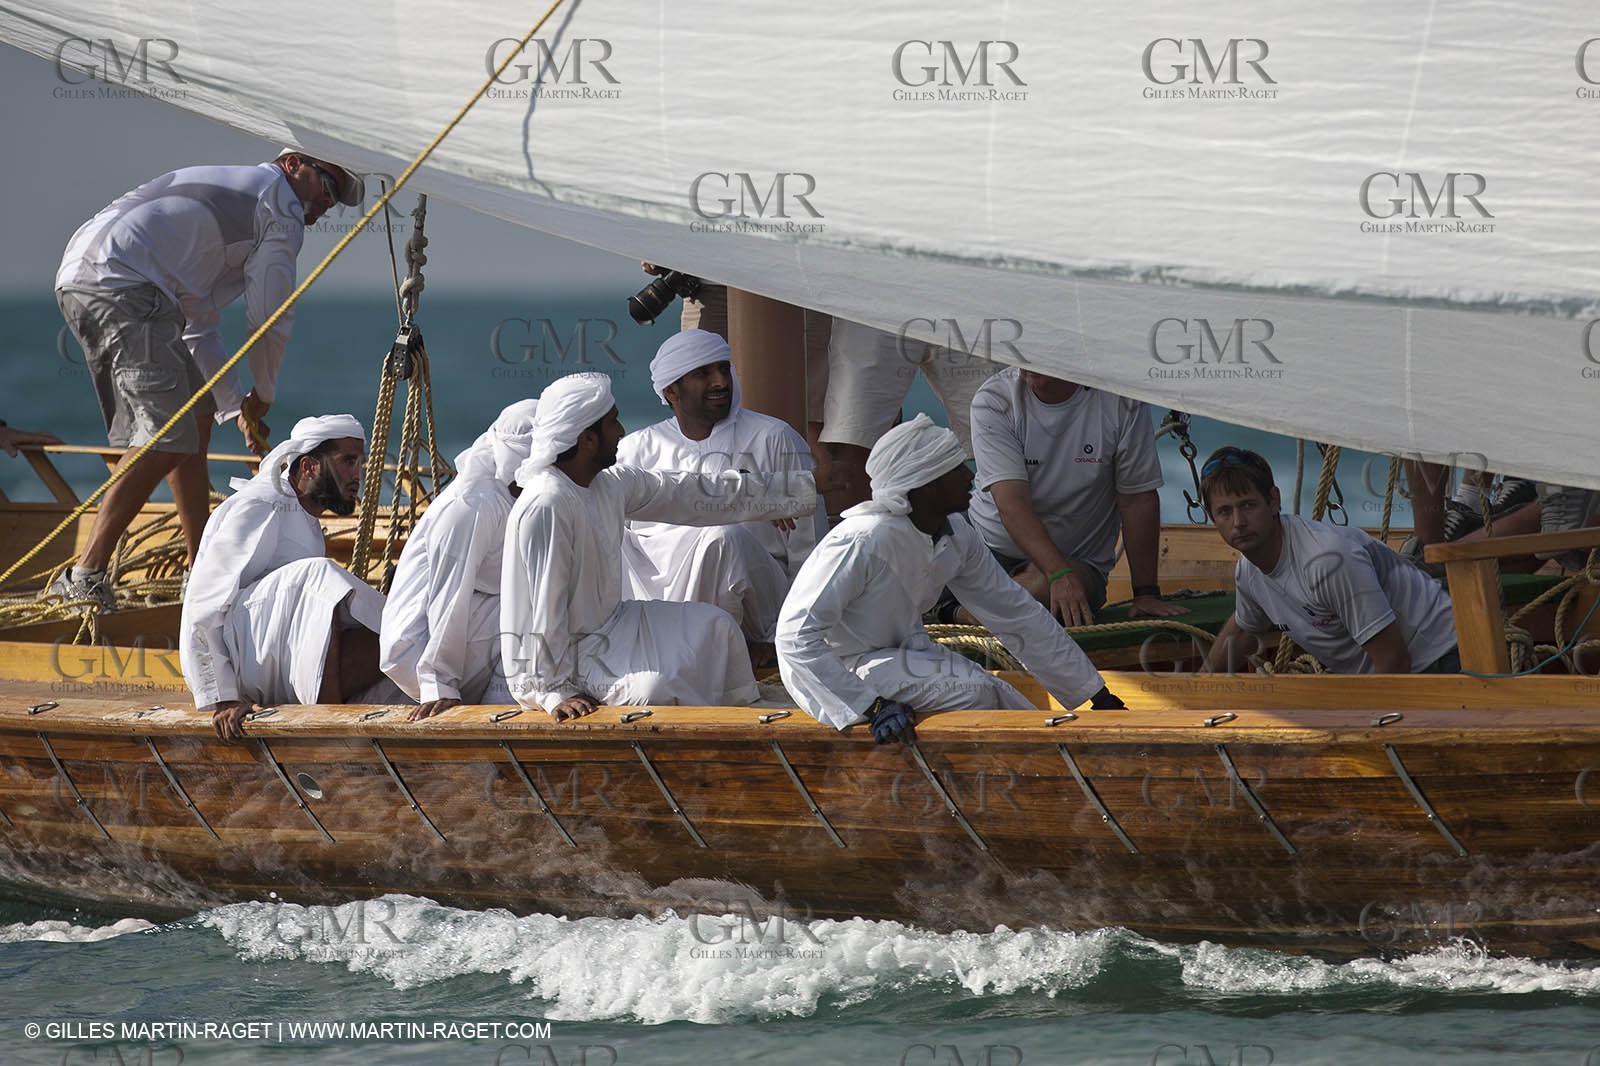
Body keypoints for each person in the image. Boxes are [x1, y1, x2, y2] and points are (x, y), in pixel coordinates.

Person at [52, 148, 364, 611]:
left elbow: (198, 324)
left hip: (105, 278)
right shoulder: (279, 207)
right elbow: (270, 318)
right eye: (328, 187)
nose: (325, 207)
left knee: (194, 422)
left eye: (335, 200)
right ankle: (85, 574)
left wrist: (237, 406)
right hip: (121, 285)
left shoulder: (237, 202)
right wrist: (264, 395)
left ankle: (200, 574)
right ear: (294, 164)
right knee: (166, 436)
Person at [776, 414, 1122, 743]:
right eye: (955, 468)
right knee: (976, 692)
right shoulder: (862, 539)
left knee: (1005, 698)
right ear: (925, 485)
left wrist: (1096, 694)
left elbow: (1015, 611)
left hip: (899, 659)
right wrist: (869, 706)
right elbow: (794, 637)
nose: (970, 476)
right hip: (836, 675)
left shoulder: (956, 534)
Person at [500, 373, 817, 721]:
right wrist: (554, 690)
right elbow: (543, 610)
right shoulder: (548, 503)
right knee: (654, 691)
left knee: (716, 626)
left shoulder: (609, 484)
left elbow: (690, 492)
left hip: (617, 623)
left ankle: (740, 719)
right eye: (613, 422)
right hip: (567, 658)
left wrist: (786, 494)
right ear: (588, 439)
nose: (621, 431)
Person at [181, 415, 389, 741]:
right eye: (348, 461)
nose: (358, 475)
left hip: (274, 655)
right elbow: (202, 604)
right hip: (238, 666)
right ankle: (327, 729)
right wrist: (224, 697)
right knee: (321, 579)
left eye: (360, 462)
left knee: (390, 645)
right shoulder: (263, 504)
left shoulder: (303, 518)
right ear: (307, 467)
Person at [620, 330, 823, 651]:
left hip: (762, 610)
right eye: (702, 374)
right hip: (664, 607)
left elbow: (809, 549)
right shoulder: (636, 450)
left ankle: (718, 647)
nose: (720, 382)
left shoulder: (772, 437)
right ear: (672, 391)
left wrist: (787, 637)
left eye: (723, 369)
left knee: (723, 537)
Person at [1199, 447, 1459, 675]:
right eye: (1224, 511)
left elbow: (1395, 661)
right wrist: (1197, 687)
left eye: (1248, 505)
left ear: (1274, 501)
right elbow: (1245, 630)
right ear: (1212, 517)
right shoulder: (1248, 571)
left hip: (1441, 658)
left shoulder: (1327, 561)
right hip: (1383, 674)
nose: (1238, 522)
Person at [964, 367, 1188, 626]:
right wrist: (1057, 572)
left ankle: (964, 610)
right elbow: (1012, 504)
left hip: (1076, 564)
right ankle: (967, 608)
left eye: (1039, 350)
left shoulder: (1122, 402)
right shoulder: (994, 398)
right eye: (1022, 350)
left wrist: (1146, 593)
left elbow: (1137, 499)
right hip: (987, 549)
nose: (1027, 361)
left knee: (1047, 586)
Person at [381, 399, 540, 721]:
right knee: (541, 610)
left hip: (467, 630)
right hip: (417, 651)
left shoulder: (510, 499)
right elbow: (449, 595)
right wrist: (440, 688)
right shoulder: (475, 504)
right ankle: (502, 713)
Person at [818, 318, 1001, 510]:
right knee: (853, 435)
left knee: (998, 430)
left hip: (966, 297)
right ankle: (856, 531)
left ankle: (1002, 534)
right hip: (873, 301)